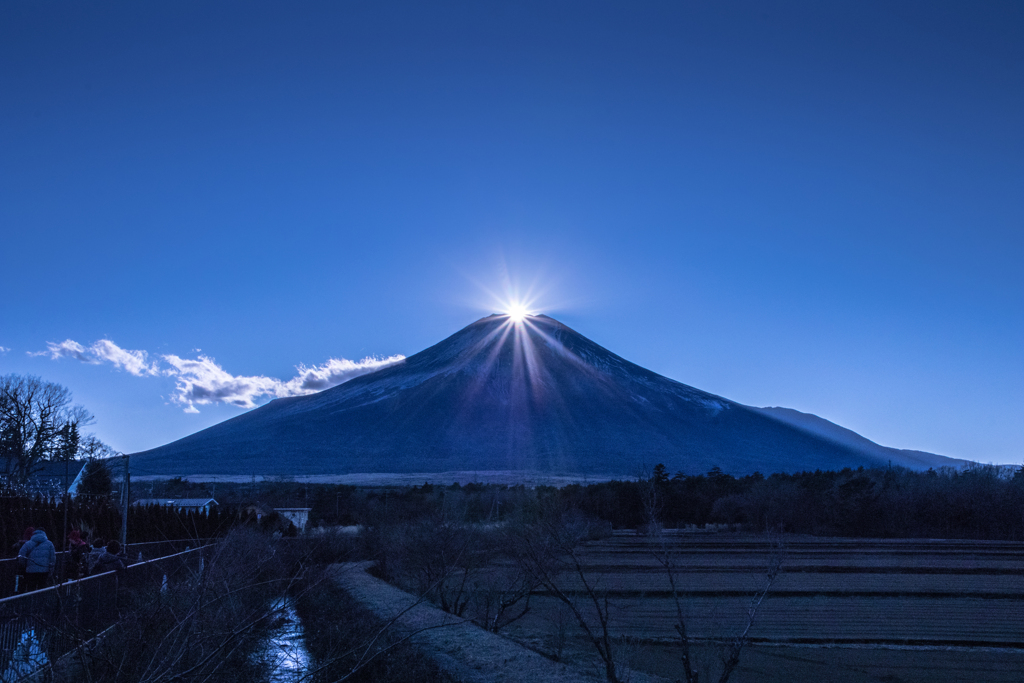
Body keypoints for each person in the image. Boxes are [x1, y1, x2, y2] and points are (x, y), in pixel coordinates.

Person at [18, 527, 56, 593]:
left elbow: (21, 556)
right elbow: (52, 558)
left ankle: (30, 602)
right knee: (42, 590)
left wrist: (25, 566)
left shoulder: (28, 544)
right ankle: (41, 602)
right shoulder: (50, 544)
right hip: (44, 570)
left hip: (30, 571)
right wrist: (51, 569)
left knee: (31, 590)